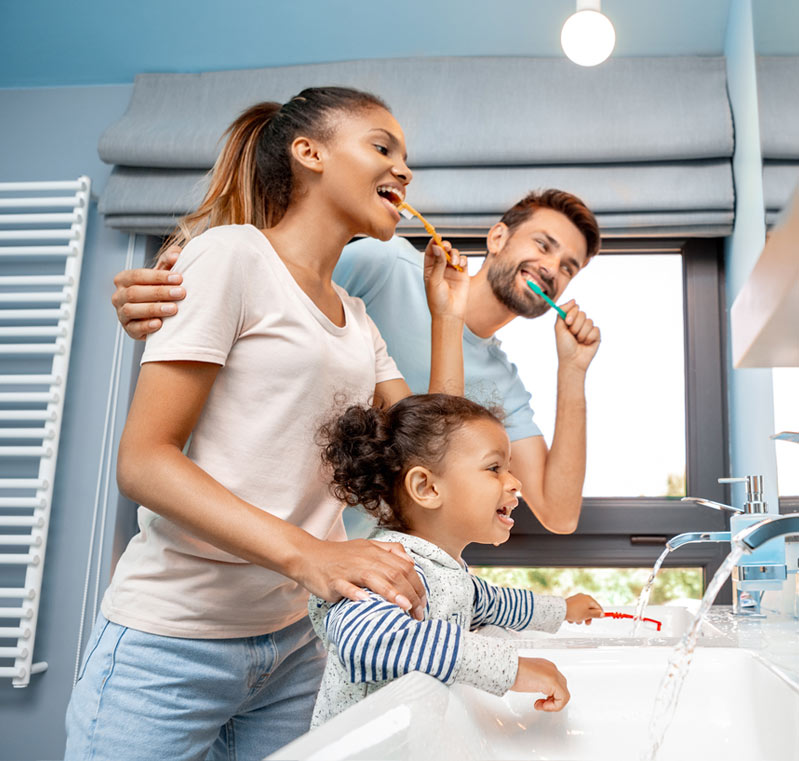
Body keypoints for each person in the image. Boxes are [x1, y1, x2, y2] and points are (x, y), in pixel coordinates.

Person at [65, 87, 471, 761]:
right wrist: (311, 554)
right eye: (382, 148)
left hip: (293, 645)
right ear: (308, 153)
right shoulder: (230, 256)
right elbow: (144, 462)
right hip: (174, 638)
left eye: (406, 160)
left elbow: (431, 459)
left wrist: (447, 316)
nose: (403, 171)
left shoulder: (356, 318)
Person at [112, 190, 602, 536]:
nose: (552, 269)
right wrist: (190, 273)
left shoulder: (503, 384)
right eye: (543, 245)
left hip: (336, 572)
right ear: (497, 238)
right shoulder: (385, 264)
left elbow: (558, 514)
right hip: (229, 534)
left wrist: (573, 371)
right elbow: (267, 282)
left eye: (568, 268)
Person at [308, 393, 604, 727]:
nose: (515, 482)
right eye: (494, 468)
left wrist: (563, 610)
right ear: (427, 488)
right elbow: (369, 639)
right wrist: (512, 669)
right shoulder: (386, 568)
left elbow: (496, 603)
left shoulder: (443, 570)